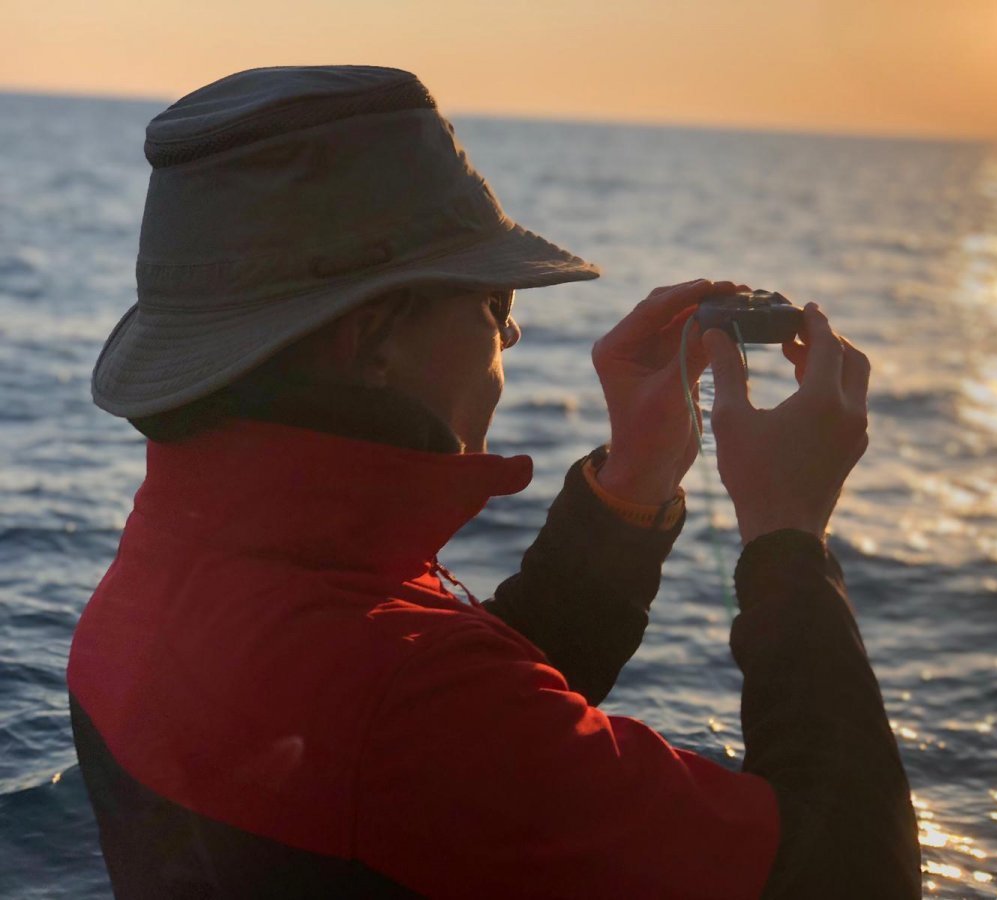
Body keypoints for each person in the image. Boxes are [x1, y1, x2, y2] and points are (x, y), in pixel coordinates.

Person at [67, 65, 920, 898]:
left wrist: (638, 476)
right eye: (493, 303)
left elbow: (467, 747)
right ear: (374, 341)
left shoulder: (166, 572)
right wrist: (786, 531)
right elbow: (853, 873)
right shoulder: (401, 699)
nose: (509, 336)